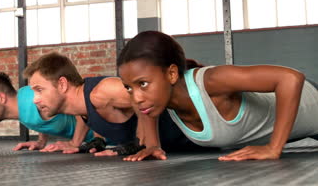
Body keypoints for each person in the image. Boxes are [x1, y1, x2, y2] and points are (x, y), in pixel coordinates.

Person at [117, 30, 318, 161]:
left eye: (143, 83)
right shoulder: (153, 101)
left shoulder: (211, 81)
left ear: (171, 73)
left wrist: (274, 148)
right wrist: (153, 145)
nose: (136, 97)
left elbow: (291, 79)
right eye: (128, 87)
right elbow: (144, 106)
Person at [22, 52, 207, 156]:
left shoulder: (103, 91)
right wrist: (90, 141)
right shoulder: (80, 105)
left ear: (62, 84)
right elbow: (91, 115)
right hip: (186, 149)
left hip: (203, 136)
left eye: (39, 89)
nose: (35, 99)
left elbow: (146, 97)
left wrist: (140, 144)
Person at [0, 71, 95, 151]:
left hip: (108, 139)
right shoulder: (24, 98)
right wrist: (41, 141)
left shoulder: (33, 99)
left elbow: (84, 105)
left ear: (1, 97)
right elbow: (42, 115)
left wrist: (75, 143)